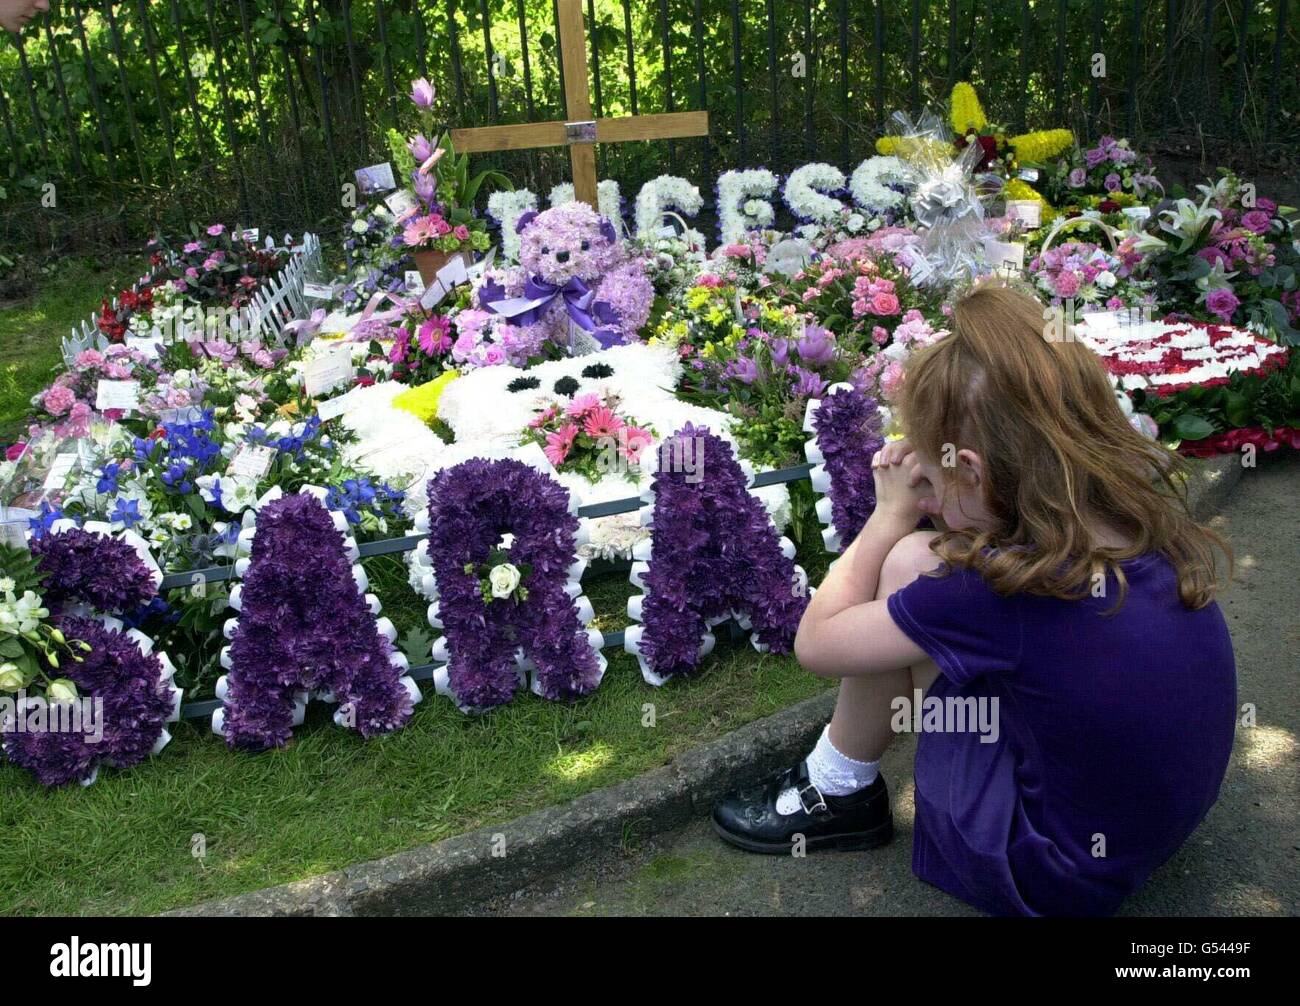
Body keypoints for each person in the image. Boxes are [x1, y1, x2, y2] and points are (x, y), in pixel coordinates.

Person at [711, 282, 1237, 916]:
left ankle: (837, 790)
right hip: (1144, 832)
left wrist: (887, 517)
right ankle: (845, 778)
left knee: (904, 565)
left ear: (977, 473)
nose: (924, 500)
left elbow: (818, 643)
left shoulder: (994, 589)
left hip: (1050, 872)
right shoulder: (1131, 520)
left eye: (931, 479)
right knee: (916, 566)